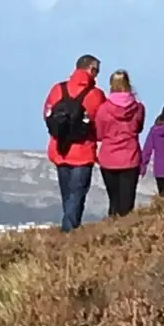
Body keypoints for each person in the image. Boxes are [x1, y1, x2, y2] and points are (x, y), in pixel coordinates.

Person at [43, 55, 106, 232]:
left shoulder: (57, 90)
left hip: (60, 150)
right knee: (77, 195)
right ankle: (69, 232)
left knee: (67, 196)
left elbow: (47, 116)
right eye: (96, 71)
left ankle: (68, 230)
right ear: (91, 70)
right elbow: (102, 123)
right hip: (83, 152)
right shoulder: (96, 95)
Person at [94, 70, 145, 217]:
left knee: (114, 201)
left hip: (109, 158)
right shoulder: (139, 108)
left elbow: (99, 134)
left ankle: (113, 231)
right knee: (127, 204)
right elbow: (139, 128)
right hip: (130, 157)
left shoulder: (103, 109)